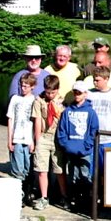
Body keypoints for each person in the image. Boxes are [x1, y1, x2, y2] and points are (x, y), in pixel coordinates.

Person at [56, 81, 99, 210]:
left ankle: (85, 201)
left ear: (85, 94)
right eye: (75, 92)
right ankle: (73, 200)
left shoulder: (90, 112)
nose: (77, 95)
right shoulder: (68, 111)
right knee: (73, 176)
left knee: (85, 176)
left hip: (84, 150)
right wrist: (66, 145)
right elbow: (62, 130)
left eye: (79, 93)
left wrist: (87, 145)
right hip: (71, 149)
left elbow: (93, 130)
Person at [31, 75, 70, 210]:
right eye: (48, 92)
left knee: (59, 169)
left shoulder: (63, 102)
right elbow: (37, 120)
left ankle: (64, 196)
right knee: (41, 169)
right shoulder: (39, 101)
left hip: (57, 138)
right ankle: (44, 197)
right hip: (44, 137)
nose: (50, 95)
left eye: (53, 92)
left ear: (57, 90)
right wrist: (36, 141)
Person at [7, 72, 37, 202]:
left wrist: (34, 140)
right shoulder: (15, 99)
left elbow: (36, 122)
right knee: (17, 169)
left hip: (28, 138)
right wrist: (10, 140)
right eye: (21, 85)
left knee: (28, 168)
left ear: (32, 87)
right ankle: (19, 195)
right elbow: (10, 120)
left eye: (26, 86)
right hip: (17, 137)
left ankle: (28, 192)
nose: (23, 88)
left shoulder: (34, 100)